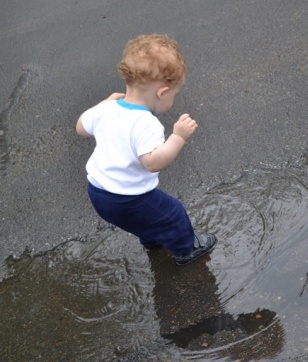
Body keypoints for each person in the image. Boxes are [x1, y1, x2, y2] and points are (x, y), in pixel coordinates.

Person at [76, 33, 216, 265]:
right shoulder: (146, 123)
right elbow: (153, 163)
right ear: (162, 93)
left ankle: (152, 238)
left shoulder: (107, 108)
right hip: (127, 198)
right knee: (172, 213)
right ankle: (186, 250)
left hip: (97, 192)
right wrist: (178, 137)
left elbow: (80, 127)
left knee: (146, 218)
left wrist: (102, 104)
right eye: (174, 94)